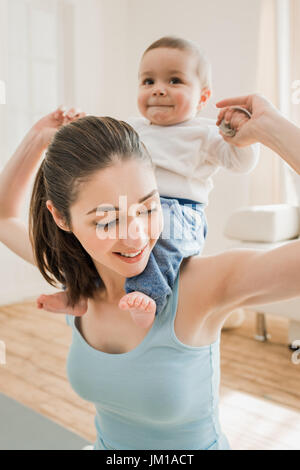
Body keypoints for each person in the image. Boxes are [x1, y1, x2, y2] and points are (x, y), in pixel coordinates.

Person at [0, 101, 299, 450]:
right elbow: (4, 218)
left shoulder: (199, 286)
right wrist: (38, 137)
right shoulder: (77, 279)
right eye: (107, 220)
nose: (136, 237)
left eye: (148, 207)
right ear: (62, 218)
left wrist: (274, 129)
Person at [37, 36, 259, 329]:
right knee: (91, 239)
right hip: (132, 205)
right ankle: (78, 292)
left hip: (181, 211)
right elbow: (106, 154)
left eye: (175, 80)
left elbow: (240, 163)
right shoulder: (134, 127)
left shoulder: (204, 134)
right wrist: (81, 125)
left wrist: (243, 134)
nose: (159, 90)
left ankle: (149, 298)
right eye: (148, 81)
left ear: (203, 97)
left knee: (164, 250)